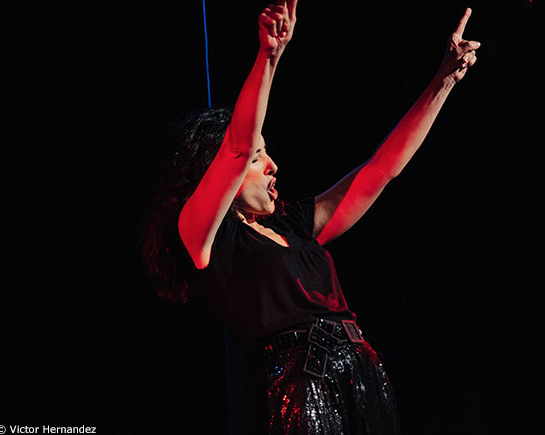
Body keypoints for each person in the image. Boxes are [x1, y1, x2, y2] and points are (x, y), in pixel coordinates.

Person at [143, 1, 480, 433]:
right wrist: (269, 57)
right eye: (260, 158)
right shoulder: (203, 236)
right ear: (217, 174)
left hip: (363, 375)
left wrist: (444, 81)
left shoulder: (292, 224)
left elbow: (380, 170)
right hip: (305, 386)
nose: (272, 165)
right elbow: (237, 147)